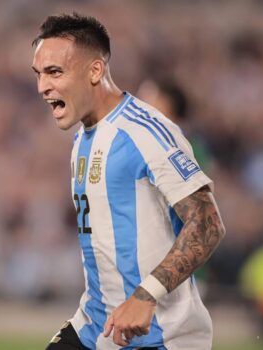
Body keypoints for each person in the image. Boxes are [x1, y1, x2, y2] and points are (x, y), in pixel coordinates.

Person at [30, 13, 226, 350]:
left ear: (95, 70)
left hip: (161, 337)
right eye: (39, 74)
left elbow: (208, 224)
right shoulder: (82, 139)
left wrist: (146, 295)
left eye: (55, 72)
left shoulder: (145, 131)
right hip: (97, 327)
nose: (42, 86)